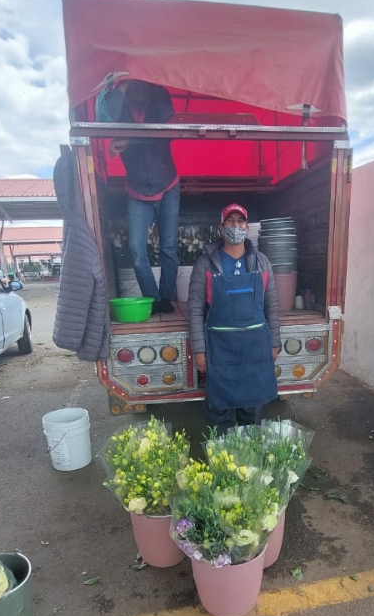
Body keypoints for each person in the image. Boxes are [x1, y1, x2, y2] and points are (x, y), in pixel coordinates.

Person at [188, 204, 280, 431]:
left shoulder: (262, 262)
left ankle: (249, 453)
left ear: (247, 227)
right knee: (220, 415)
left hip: (255, 350)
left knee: (251, 413)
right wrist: (199, 352)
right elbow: (195, 309)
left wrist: (274, 343)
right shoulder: (205, 264)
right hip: (221, 350)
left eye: (240, 221)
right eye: (230, 221)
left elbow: (271, 306)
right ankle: (221, 452)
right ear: (220, 228)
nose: (235, 225)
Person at [98, 78, 179, 314]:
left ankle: (166, 298)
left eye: (142, 84)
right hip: (136, 190)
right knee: (136, 250)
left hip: (168, 184)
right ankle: (153, 299)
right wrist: (121, 86)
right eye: (132, 85)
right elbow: (103, 115)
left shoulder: (159, 101)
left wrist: (128, 140)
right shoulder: (119, 111)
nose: (138, 88)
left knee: (169, 248)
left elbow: (160, 130)